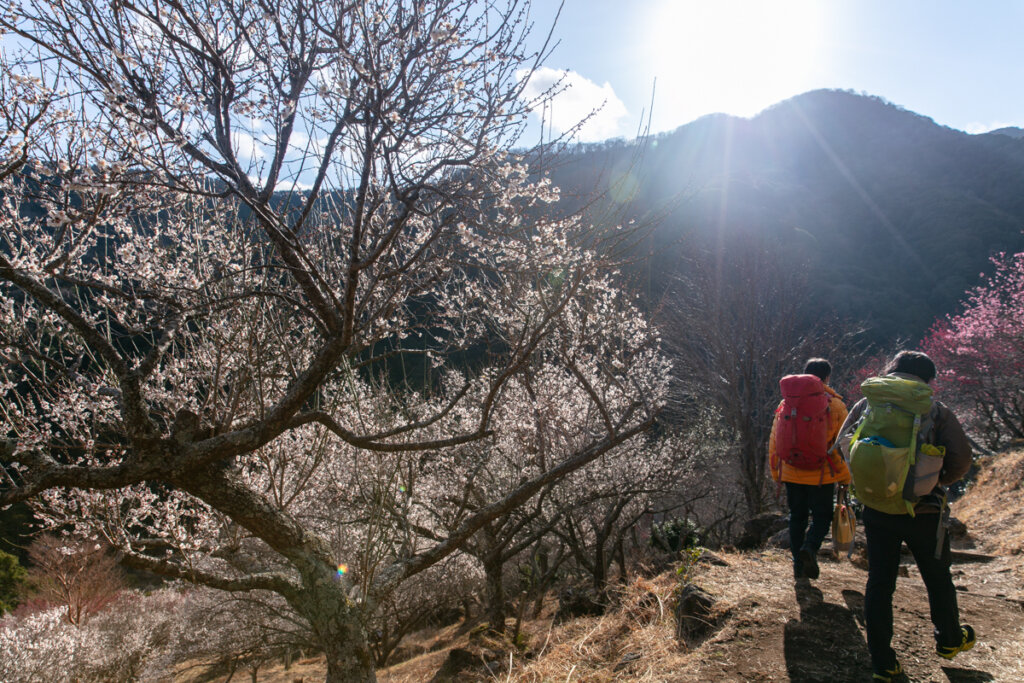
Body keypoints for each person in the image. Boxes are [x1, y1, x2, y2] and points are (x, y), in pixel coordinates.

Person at [843, 351, 975, 682]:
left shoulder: (867, 403)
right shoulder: (936, 410)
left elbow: (845, 445)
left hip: (877, 508)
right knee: (937, 577)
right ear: (927, 379)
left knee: (880, 582)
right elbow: (960, 461)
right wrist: (931, 481)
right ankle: (948, 640)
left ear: (893, 370)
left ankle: (883, 662)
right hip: (924, 511)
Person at [768, 357, 849, 580]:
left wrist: (777, 473)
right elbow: (843, 445)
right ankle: (810, 547)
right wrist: (845, 477)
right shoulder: (835, 405)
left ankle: (797, 566)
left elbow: (775, 441)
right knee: (822, 516)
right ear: (826, 378)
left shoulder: (786, 404)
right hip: (821, 475)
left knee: (797, 517)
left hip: (792, 471)